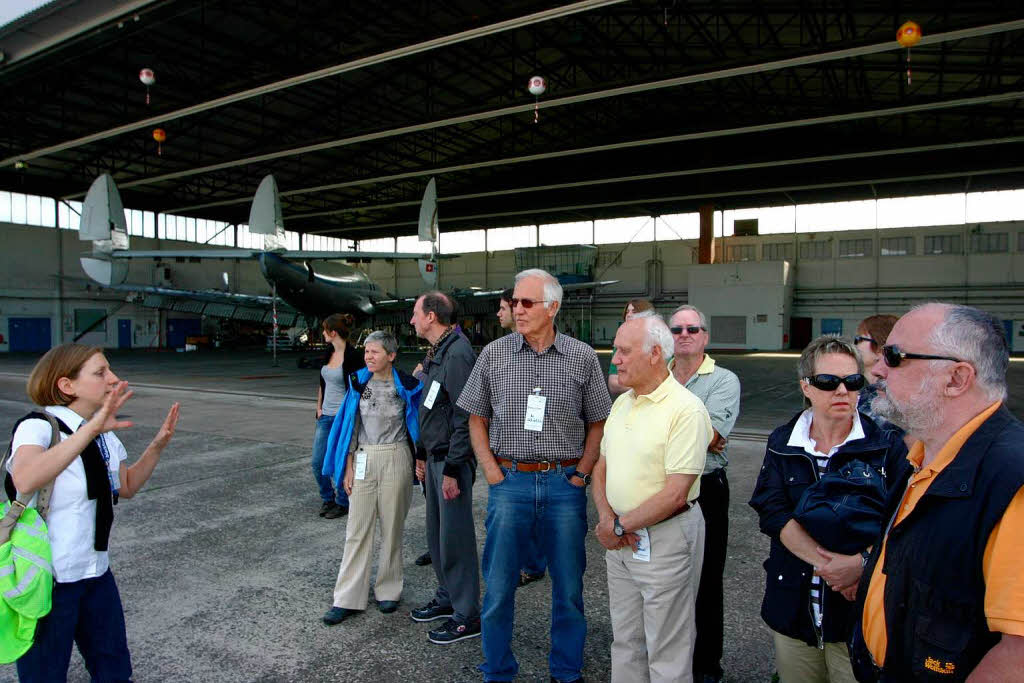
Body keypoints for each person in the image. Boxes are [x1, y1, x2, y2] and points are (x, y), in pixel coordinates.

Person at [849, 304, 1024, 682]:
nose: (878, 369)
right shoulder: (923, 457)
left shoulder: (1012, 480)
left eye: (894, 357)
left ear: (957, 378)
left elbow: (1018, 655)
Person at [458, 268, 612, 683]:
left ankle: (565, 671)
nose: (516, 309)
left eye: (527, 302)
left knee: (569, 590)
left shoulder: (582, 357)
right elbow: (476, 416)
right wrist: (491, 471)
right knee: (499, 587)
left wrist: (581, 473)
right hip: (511, 484)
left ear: (553, 307)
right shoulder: (494, 354)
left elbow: (599, 420)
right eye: (514, 302)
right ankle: (497, 670)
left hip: (564, 485)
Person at [5, 344, 180, 681]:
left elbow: (126, 486)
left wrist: (158, 444)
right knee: (44, 674)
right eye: (101, 373)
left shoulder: (102, 435)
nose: (114, 379)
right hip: (49, 579)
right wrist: (91, 429)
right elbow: (25, 477)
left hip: (95, 574)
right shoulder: (39, 426)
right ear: (66, 385)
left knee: (113, 668)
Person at [748, 335, 906, 683]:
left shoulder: (887, 446)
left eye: (852, 382)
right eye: (828, 382)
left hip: (859, 615)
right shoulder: (783, 442)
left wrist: (861, 564)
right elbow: (772, 510)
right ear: (806, 387)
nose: (842, 391)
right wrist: (832, 566)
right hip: (794, 609)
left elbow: (902, 522)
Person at [593, 312, 712, 683]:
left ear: (656, 354)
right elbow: (601, 467)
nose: (615, 359)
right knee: (625, 641)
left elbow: (677, 493)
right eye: (616, 350)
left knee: (668, 649)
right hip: (621, 539)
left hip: (664, 538)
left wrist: (617, 525)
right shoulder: (623, 403)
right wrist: (606, 519)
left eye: (625, 351)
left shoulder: (686, 410)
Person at [321, 330, 423, 624]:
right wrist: (349, 465)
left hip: (397, 455)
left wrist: (420, 459)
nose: (369, 356)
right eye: (367, 351)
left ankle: (389, 590)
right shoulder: (357, 383)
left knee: (392, 526)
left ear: (391, 355)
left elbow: (416, 425)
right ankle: (347, 597)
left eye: (375, 352)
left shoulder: (408, 386)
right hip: (364, 455)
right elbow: (350, 426)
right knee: (357, 528)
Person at [667, 305, 741, 683]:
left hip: (706, 489)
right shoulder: (657, 374)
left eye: (692, 329)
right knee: (664, 581)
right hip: (660, 488)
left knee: (707, 582)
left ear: (705, 336)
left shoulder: (724, 380)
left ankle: (706, 667)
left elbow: (712, 437)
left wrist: (665, 425)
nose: (684, 334)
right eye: (677, 329)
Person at [408, 291, 482, 644]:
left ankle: (467, 614)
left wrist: (453, 466)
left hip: (450, 463)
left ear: (432, 316)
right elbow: (431, 407)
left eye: (415, 314)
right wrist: (422, 454)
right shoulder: (437, 351)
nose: (412, 320)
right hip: (435, 458)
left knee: (456, 540)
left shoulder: (457, 353)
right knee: (437, 537)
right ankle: (447, 597)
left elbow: (463, 414)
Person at [497, 287, 547, 588]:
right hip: (512, 449)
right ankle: (526, 560)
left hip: (541, 451)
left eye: (506, 307)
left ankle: (533, 562)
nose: (504, 312)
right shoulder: (499, 351)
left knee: (534, 513)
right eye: (509, 306)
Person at [312, 313, 364, 519]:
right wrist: (318, 407)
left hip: (343, 418)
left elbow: (358, 388)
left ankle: (342, 502)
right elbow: (322, 383)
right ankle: (327, 498)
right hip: (325, 416)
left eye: (325, 330)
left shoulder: (353, 357)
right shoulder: (328, 353)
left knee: (342, 462)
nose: (323, 334)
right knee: (318, 462)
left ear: (333, 333)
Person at [851, 315, 898, 427]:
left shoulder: (886, 399)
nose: (854, 345)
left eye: (859, 339)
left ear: (879, 347)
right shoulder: (864, 393)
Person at [608, 298, 654, 397]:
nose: (629, 315)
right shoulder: (620, 345)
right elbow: (613, 384)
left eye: (634, 312)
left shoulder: (659, 344)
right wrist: (645, 386)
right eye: (627, 312)